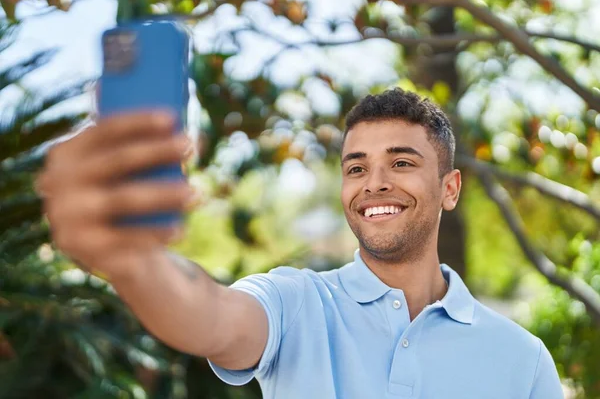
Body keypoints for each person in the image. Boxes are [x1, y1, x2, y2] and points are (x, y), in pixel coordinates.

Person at [39, 88, 564, 398]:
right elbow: (213, 316)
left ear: (449, 189)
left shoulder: (523, 360)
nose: (374, 183)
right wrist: (132, 261)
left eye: (401, 163)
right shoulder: (296, 303)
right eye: (356, 168)